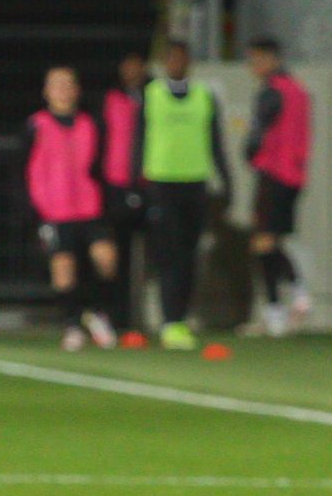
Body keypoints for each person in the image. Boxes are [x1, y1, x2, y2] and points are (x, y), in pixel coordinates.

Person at [133, 40, 232, 350]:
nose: (177, 63)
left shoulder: (204, 96)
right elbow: (138, 141)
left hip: (195, 183)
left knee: (189, 255)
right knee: (168, 255)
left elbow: (216, 142)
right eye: (171, 58)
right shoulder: (151, 95)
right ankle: (170, 320)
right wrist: (136, 185)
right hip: (161, 184)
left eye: (181, 58)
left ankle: (181, 317)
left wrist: (227, 180)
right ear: (164, 62)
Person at [24, 67, 119, 351]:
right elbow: (22, 168)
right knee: (63, 268)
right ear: (46, 91)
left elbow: (101, 165)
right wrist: (32, 208)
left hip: (90, 206)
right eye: (57, 85)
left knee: (106, 259)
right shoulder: (36, 125)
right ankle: (72, 324)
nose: (63, 90)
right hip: (53, 210)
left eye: (68, 84)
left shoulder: (91, 124)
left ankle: (97, 311)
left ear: (77, 90)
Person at [242, 36, 313, 335]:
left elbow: (258, 131)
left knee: (263, 242)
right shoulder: (299, 90)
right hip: (294, 176)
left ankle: (294, 294)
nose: (252, 66)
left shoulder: (271, 92)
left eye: (256, 60)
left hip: (273, 173)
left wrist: (249, 152)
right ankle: (277, 312)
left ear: (270, 59)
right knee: (270, 241)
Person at [100, 50, 150, 344]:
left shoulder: (154, 96)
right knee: (118, 254)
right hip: (117, 185)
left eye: (136, 65)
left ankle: (153, 319)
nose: (131, 71)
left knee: (154, 256)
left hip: (150, 183)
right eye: (126, 66)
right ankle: (119, 317)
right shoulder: (111, 99)